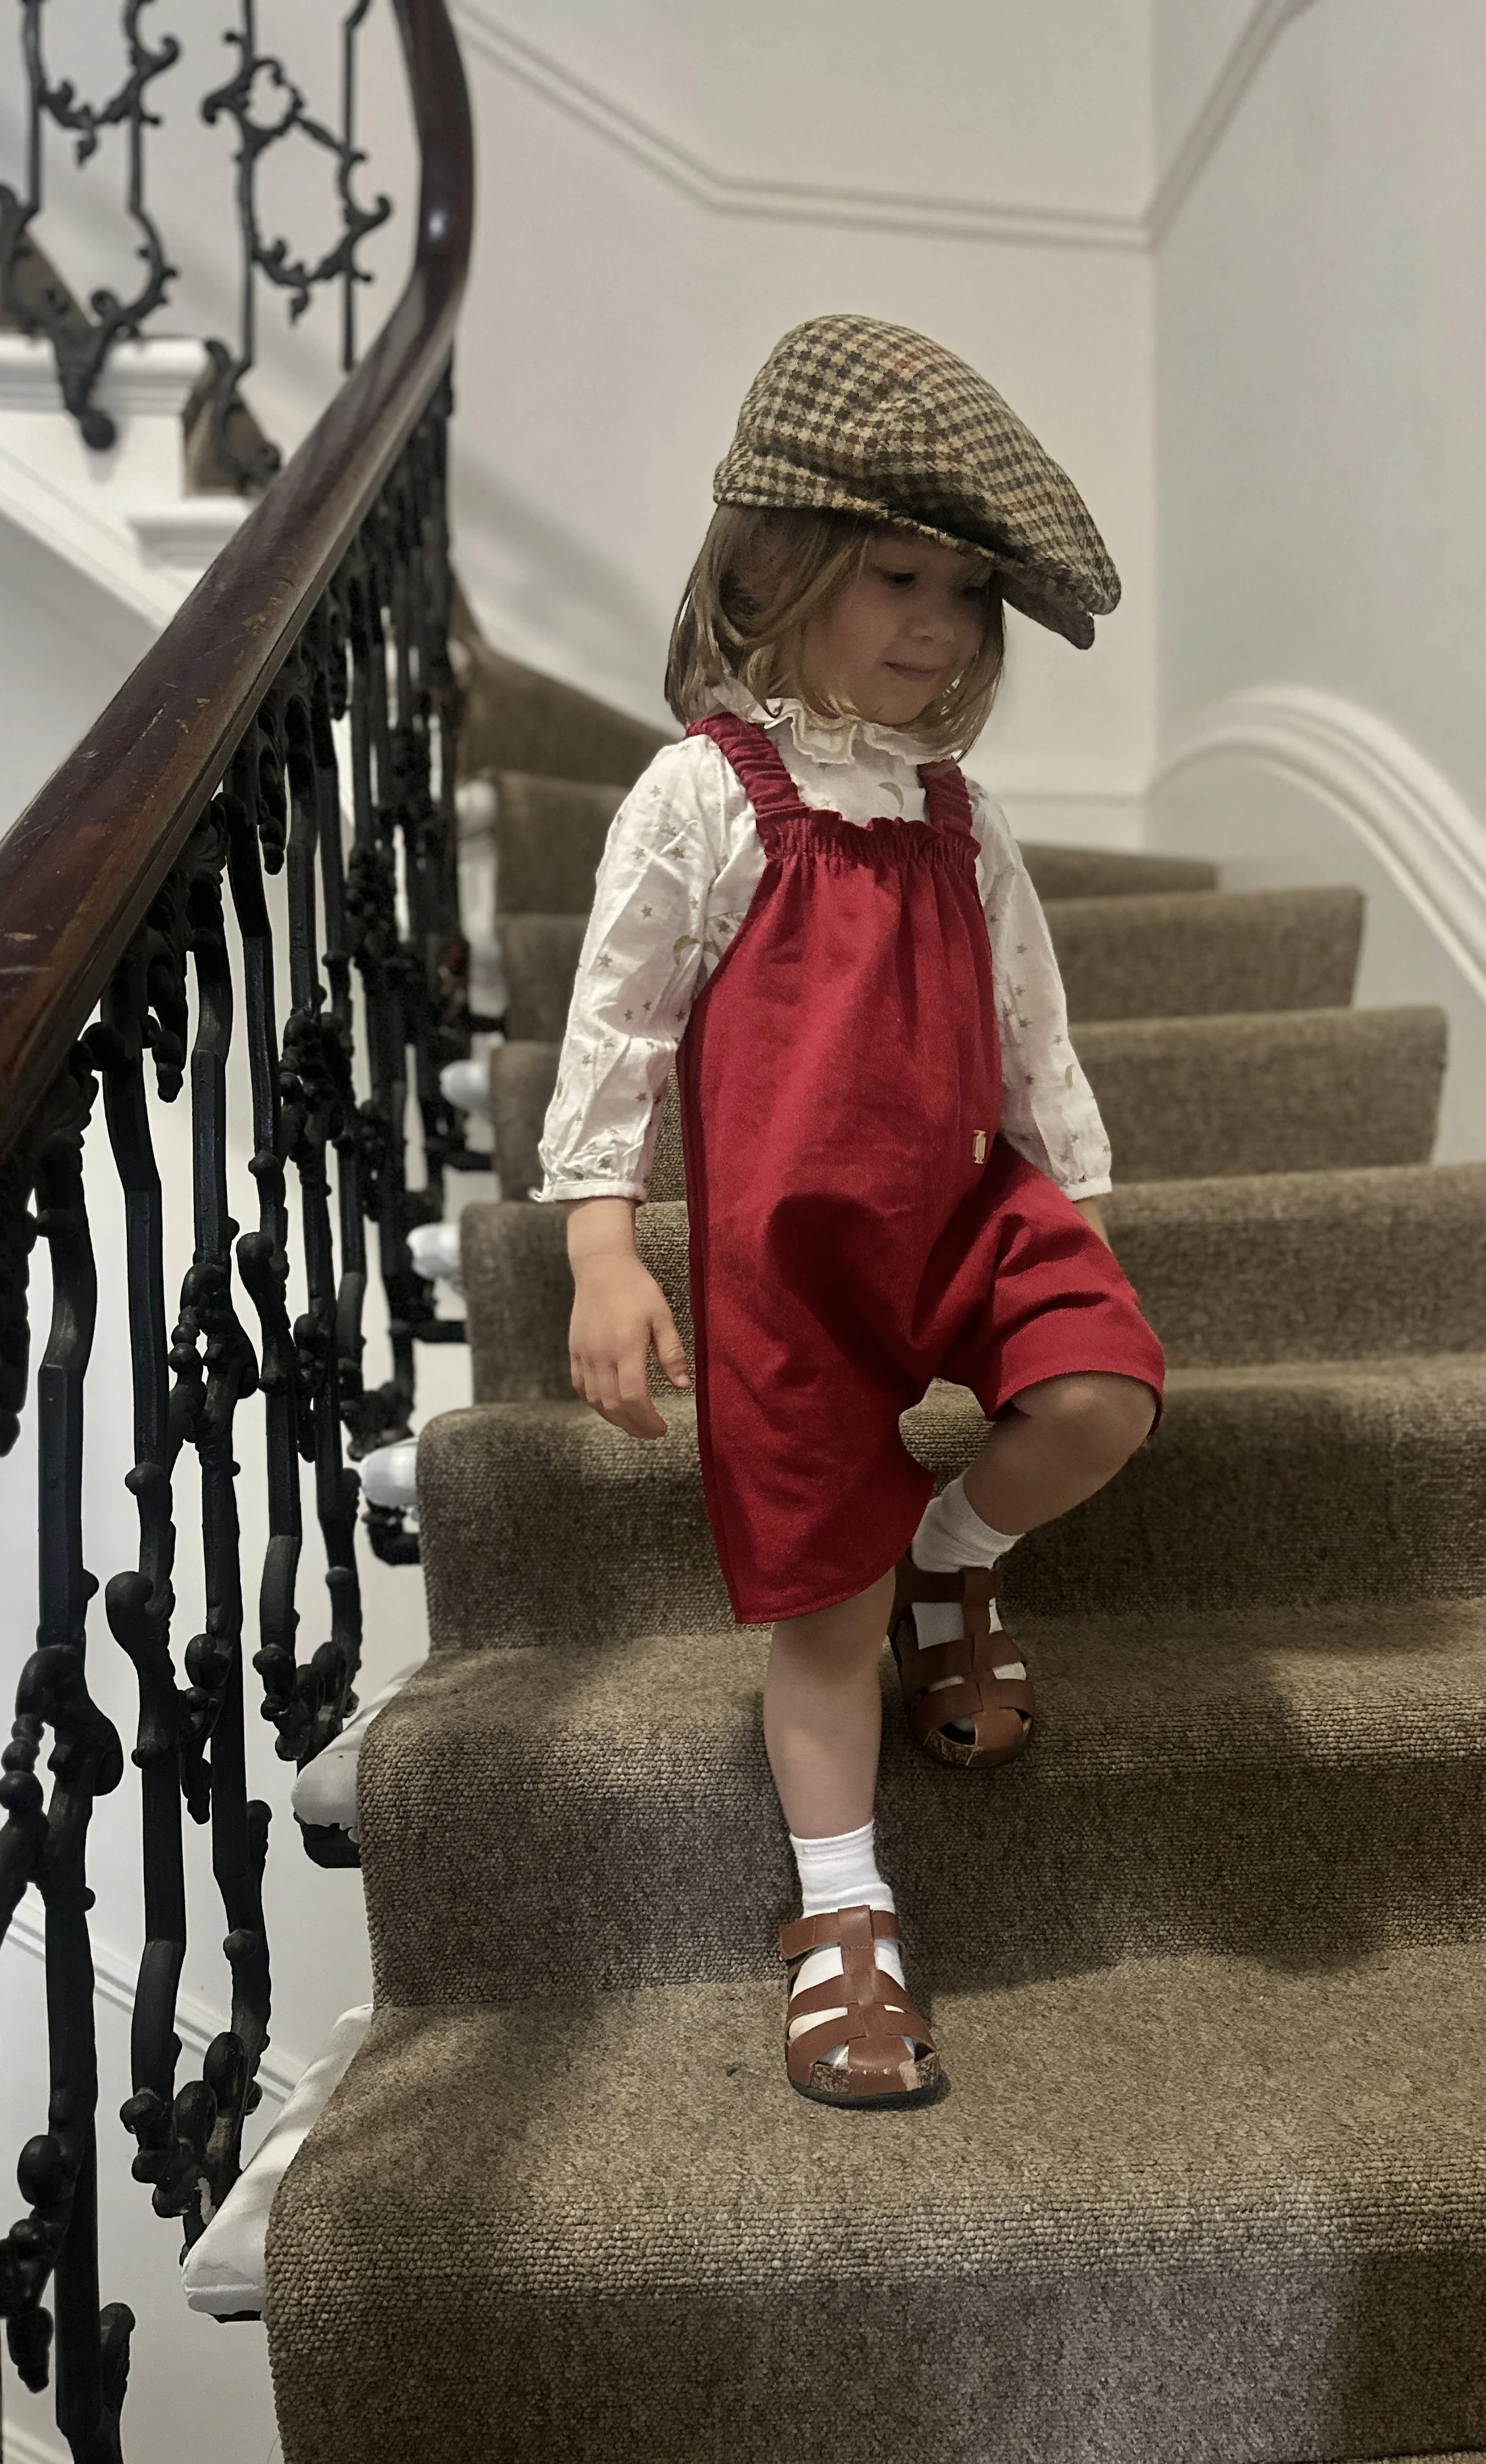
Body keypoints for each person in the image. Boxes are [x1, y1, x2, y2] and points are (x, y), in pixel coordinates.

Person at [535, 314, 1165, 2109]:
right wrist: (600, 1239)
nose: (938, 627)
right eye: (897, 577)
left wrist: (1074, 1201)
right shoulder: (702, 794)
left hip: (969, 1208)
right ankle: (840, 1908)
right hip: (786, 1269)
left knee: (1102, 1394)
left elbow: (1027, 1016)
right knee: (823, 1597)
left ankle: (953, 1556)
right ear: (773, 564)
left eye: (966, 596)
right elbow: (618, 1022)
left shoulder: (958, 815)